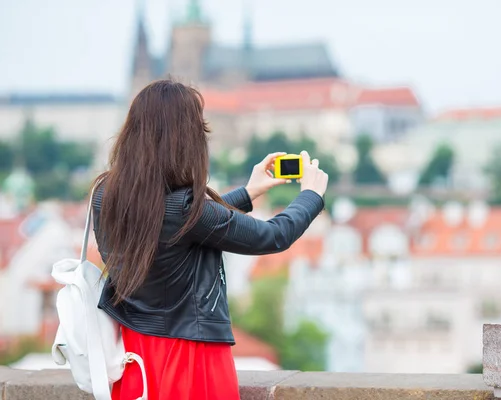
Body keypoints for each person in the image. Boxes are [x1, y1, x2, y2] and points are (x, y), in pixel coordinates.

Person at [91, 79, 328, 400]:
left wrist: (248, 192)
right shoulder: (184, 208)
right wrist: (311, 196)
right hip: (192, 357)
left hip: (135, 356)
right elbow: (273, 235)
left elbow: (178, 225)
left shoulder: (106, 193)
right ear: (184, 140)